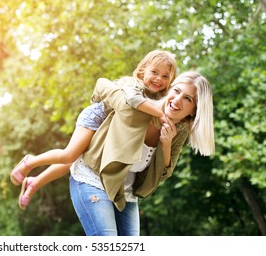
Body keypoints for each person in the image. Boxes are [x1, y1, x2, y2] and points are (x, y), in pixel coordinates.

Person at [19, 71, 215, 236]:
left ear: (193, 111)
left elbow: (163, 174)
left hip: (125, 193)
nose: (177, 100)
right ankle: (31, 167)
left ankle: (34, 180)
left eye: (187, 99)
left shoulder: (178, 132)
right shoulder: (140, 106)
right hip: (93, 178)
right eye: (177, 91)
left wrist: (166, 143)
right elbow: (105, 87)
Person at [10, 50, 178, 209]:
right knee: (70, 154)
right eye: (154, 72)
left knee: (76, 161)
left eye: (165, 76)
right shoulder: (132, 84)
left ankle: (35, 182)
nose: (158, 79)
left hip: (111, 129)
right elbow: (133, 100)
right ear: (142, 71)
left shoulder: (161, 99)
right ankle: (29, 162)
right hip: (98, 118)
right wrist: (161, 115)